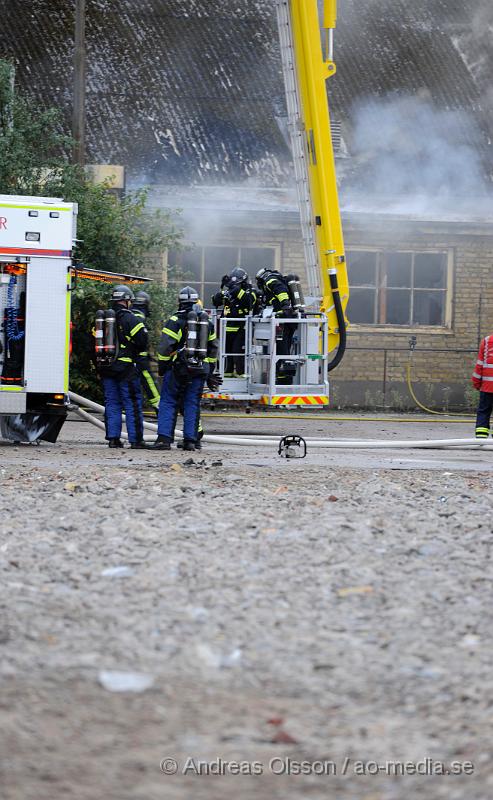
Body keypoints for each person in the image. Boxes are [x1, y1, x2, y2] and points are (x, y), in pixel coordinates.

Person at [153, 286, 221, 451]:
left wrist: (163, 367)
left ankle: (164, 440)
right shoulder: (207, 323)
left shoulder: (175, 321)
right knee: (192, 403)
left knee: (168, 402)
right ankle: (190, 441)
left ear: (180, 302)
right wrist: (209, 371)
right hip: (199, 370)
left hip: (177, 369)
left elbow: (165, 348)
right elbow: (213, 348)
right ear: (196, 301)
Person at [98, 285, 148, 449]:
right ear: (127, 301)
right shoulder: (130, 318)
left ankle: (113, 439)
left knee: (112, 403)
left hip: (105, 366)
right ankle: (136, 440)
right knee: (132, 403)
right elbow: (142, 341)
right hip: (125, 368)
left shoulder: (103, 320)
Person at [212, 267, 256, 376]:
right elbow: (216, 302)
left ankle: (241, 378)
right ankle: (226, 377)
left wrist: (235, 289)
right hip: (226, 329)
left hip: (241, 330)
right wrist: (221, 293)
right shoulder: (229, 292)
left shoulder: (250, 292)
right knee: (226, 356)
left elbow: (249, 301)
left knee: (238, 355)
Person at [256, 267, 297, 382]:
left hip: (283, 319)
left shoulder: (269, 280)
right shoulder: (274, 280)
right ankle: (282, 376)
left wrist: (284, 305)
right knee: (283, 348)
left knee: (282, 348)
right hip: (287, 319)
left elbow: (280, 290)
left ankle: (284, 377)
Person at [131, 290, 161, 415]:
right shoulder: (139, 316)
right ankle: (159, 407)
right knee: (150, 383)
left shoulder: (130, 314)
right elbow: (140, 339)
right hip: (139, 359)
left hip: (130, 359)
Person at [472, 333, 493, 438]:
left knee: (484, 411)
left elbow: (479, 365)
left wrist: (476, 383)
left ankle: (481, 438)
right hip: (487, 387)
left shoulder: (487, 341)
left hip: (487, 388)